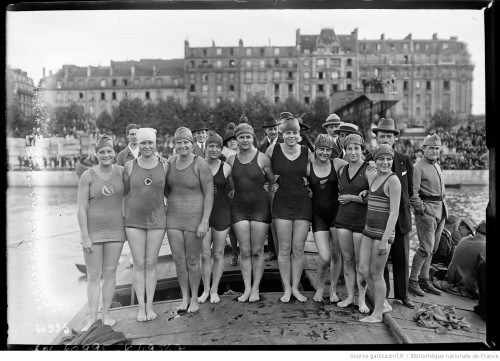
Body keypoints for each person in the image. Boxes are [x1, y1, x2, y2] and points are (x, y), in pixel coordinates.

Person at [77, 135, 126, 331]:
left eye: (109, 151)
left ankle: (106, 314)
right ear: (96, 154)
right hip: (94, 233)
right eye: (102, 152)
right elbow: (81, 208)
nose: (106, 155)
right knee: (94, 275)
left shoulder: (122, 172)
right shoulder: (87, 176)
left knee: (110, 274)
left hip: (116, 231)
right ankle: (92, 317)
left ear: (114, 153)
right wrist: (84, 236)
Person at [365, 118, 415, 309]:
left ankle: (403, 295)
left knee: (402, 258)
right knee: (381, 260)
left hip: (399, 217)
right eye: (382, 136)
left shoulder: (404, 160)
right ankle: (382, 297)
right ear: (377, 138)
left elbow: (409, 189)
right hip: (378, 219)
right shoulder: (370, 160)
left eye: (389, 136)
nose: (385, 139)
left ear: (395, 138)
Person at [266, 116, 313, 303]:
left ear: (299, 134)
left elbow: (318, 172)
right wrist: (269, 183)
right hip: (282, 202)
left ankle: (295, 288)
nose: (291, 136)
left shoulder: (307, 151)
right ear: (281, 134)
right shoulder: (273, 149)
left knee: (299, 249)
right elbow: (260, 167)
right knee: (284, 249)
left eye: (294, 132)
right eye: (287, 133)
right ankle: (286, 289)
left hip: (302, 202)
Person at [166, 127, 214, 313]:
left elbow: (209, 194)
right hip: (173, 219)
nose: (182, 145)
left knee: (193, 260)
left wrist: (204, 221)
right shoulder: (169, 162)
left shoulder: (200, 163)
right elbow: (165, 187)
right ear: (174, 145)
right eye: (179, 142)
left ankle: (195, 297)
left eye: (186, 142)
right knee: (179, 261)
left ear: (192, 144)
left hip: (195, 219)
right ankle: (184, 297)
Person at [123, 128, 168, 322]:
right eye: (143, 143)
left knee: (151, 263)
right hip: (134, 220)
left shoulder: (165, 165)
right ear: (138, 144)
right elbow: (122, 193)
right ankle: (141, 307)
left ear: (155, 143)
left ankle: (150, 305)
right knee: (138, 263)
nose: (147, 146)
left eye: (150, 142)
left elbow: (172, 191)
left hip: (157, 219)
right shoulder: (129, 166)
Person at [227, 123, 274, 302]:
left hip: (260, 208)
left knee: (257, 250)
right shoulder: (231, 160)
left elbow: (272, 182)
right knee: (244, 251)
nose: (245, 140)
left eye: (248, 136)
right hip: (239, 208)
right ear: (236, 139)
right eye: (241, 137)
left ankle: (256, 288)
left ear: (252, 137)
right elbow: (229, 184)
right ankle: (246, 288)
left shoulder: (263, 159)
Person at [358, 144, 401, 323]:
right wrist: (366, 192)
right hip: (369, 229)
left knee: (377, 273)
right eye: (381, 159)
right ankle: (382, 303)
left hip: (382, 234)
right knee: (363, 269)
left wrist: (384, 240)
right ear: (375, 160)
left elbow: (394, 212)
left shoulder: (393, 180)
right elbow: (376, 197)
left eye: (388, 159)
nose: (385, 162)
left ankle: (377, 313)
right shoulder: (374, 176)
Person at [309, 134, 348, 302]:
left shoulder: (337, 163)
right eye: (321, 149)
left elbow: (358, 166)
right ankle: (320, 287)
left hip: (336, 214)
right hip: (318, 217)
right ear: (315, 150)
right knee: (324, 257)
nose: (324, 153)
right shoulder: (308, 167)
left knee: (336, 255)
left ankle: (332, 290)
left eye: (328, 150)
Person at [409, 134, 448, 296]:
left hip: (441, 210)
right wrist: (421, 209)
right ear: (423, 148)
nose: (434, 151)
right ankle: (413, 281)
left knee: (433, 249)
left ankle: (425, 280)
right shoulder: (418, 167)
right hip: (427, 212)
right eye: (431, 148)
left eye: (437, 148)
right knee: (425, 248)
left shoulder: (436, 165)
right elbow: (413, 193)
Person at [335, 133, 371, 313]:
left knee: (360, 262)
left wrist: (353, 198)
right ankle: (350, 296)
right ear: (345, 150)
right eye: (349, 148)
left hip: (361, 221)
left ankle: (362, 300)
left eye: (356, 148)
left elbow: (376, 197)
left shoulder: (369, 169)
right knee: (347, 260)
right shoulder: (342, 170)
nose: (353, 152)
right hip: (342, 220)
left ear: (362, 149)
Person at [198, 132, 233, 304]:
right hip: (203, 215)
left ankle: (214, 289)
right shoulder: (198, 165)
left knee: (218, 253)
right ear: (206, 146)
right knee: (205, 255)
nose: (214, 149)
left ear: (221, 148)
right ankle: (205, 289)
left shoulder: (226, 167)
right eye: (211, 145)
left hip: (221, 213)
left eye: (217, 146)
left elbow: (234, 190)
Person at [258, 115, 283, 262]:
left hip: (283, 187)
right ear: (265, 131)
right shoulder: (262, 147)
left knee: (282, 220)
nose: (273, 131)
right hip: (267, 189)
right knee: (269, 220)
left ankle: (284, 252)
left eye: (275, 128)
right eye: (270, 129)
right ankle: (273, 251)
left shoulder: (283, 143)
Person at [442, 220, 486, 299]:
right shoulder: (484, 246)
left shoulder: (464, 239)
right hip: (467, 287)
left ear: (477, 231)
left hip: (450, 279)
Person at [221, 122, 239, 266]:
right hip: (230, 193)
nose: (233, 141)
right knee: (232, 227)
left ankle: (248, 253)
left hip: (245, 192)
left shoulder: (245, 152)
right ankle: (234, 253)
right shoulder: (223, 156)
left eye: (235, 139)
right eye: (230, 140)